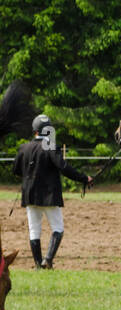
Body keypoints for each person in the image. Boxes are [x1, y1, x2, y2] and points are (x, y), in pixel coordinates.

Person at [13, 114, 92, 269]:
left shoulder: (24, 147)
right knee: (58, 228)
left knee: (34, 230)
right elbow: (64, 168)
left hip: (29, 195)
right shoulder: (50, 146)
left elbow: (16, 170)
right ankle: (47, 260)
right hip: (49, 196)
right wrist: (84, 178)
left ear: (35, 130)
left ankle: (37, 264)